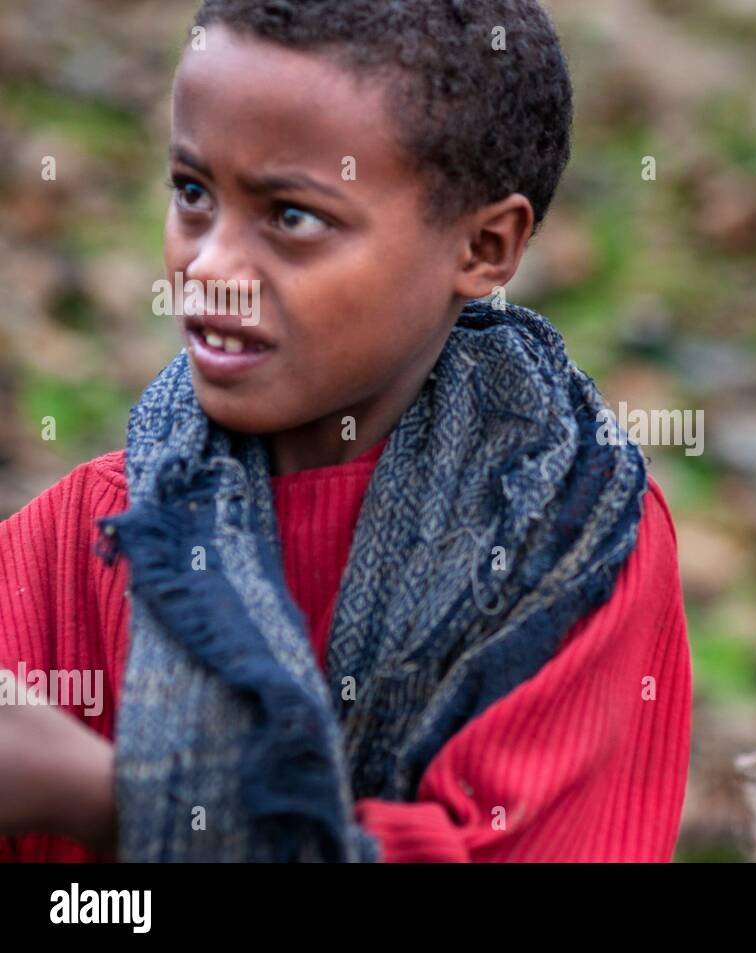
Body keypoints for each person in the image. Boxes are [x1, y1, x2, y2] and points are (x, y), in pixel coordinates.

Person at [0, 0, 691, 863]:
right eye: (192, 193)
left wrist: (112, 800)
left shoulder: (574, 544)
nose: (211, 267)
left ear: (483, 245)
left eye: (292, 216)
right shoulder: (92, 535)